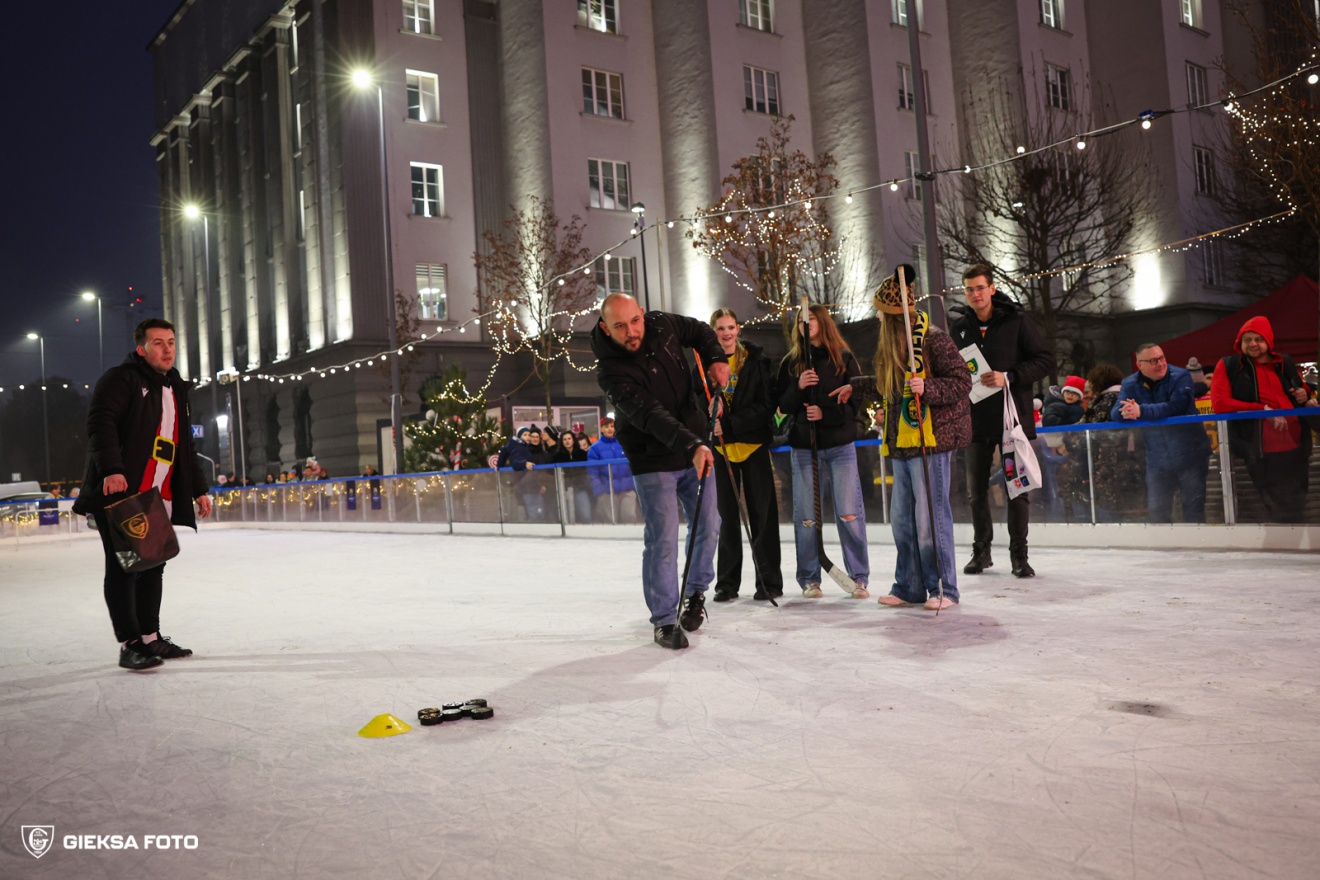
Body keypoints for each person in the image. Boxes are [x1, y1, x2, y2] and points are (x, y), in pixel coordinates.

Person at [72, 318, 212, 671]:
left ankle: (150, 637)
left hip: (158, 494)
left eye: (171, 342)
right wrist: (112, 469)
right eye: (158, 343)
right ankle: (130, 644)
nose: (167, 349)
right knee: (124, 567)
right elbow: (100, 423)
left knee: (153, 565)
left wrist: (198, 489)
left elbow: (184, 444)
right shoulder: (122, 379)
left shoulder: (175, 387)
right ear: (141, 348)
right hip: (121, 492)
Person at [591, 292, 728, 650]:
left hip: (694, 446)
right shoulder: (610, 371)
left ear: (642, 313)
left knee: (709, 523)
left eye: (635, 321)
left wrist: (716, 359)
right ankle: (665, 619)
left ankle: (695, 593)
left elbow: (699, 331)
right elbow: (650, 415)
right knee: (663, 538)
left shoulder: (662, 324)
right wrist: (693, 445)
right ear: (605, 329)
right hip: (652, 458)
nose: (632, 332)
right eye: (620, 326)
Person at [852, 270, 971, 610]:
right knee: (903, 522)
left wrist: (927, 387)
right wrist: (855, 387)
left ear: (893, 317)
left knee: (929, 521)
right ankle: (909, 586)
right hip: (901, 444)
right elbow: (888, 385)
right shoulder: (893, 349)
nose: (877, 318)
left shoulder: (933, 340)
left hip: (930, 441)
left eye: (881, 313)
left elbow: (962, 381)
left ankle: (944, 588)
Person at [949, 263, 1055, 578]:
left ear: (992, 289)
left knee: (1017, 489)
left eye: (980, 288)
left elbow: (1045, 360)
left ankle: (1019, 556)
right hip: (975, 421)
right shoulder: (960, 327)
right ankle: (981, 553)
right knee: (975, 491)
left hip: (1012, 420)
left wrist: (1009, 376)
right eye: (969, 289)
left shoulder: (1017, 321)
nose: (975, 294)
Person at [774, 302, 870, 599]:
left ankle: (858, 577)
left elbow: (855, 403)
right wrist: (799, 386)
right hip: (805, 448)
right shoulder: (791, 362)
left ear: (823, 322)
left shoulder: (843, 358)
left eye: (812, 319)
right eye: (801, 320)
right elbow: (781, 406)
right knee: (806, 516)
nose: (806, 324)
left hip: (840, 446)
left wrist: (825, 414)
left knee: (849, 512)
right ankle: (809, 578)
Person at [699, 308, 782, 602]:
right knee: (726, 519)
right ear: (713, 331)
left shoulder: (756, 362)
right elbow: (695, 403)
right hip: (721, 451)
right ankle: (727, 583)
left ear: (738, 328)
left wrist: (730, 425)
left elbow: (765, 407)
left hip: (753, 446)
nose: (726, 333)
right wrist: (708, 416)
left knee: (763, 517)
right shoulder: (705, 365)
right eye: (720, 328)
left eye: (731, 327)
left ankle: (769, 582)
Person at [1211, 316, 1313, 523]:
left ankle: (1292, 539)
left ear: (1268, 341)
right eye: (1247, 339)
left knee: (1297, 503)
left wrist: (1305, 393)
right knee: (1277, 506)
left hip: (1297, 445)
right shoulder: (1230, 365)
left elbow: (1300, 389)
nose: (1253, 344)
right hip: (1260, 450)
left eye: (1258, 339)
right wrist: (1262, 410)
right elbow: (1220, 403)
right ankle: (1285, 539)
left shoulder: (1284, 362)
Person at [1112, 343, 1211, 523]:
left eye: (1161, 358)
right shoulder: (1130, 383)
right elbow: (1115, 413)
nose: (1160, 364)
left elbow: (1177, 407)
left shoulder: (1181, 376)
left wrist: (1141, 411)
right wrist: (1126, 411)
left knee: (1193, 509)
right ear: (1140, 365)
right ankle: (1163, 542)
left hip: (1191, 456)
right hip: (1157, 459)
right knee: (1157, 511)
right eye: (1153, 361)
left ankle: (1197, 541)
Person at [587, 417, 637, 523]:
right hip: (607, 491)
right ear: (601, 429)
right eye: (606, 427)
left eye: (612, 426)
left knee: (629, 516)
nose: (609, 429)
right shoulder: (595, 448)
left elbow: (633, 463)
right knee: (610, 520)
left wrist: (633, 484)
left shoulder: (623, 444)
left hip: (627, 489)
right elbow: (593, 471)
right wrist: (600, 490)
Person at [496, 427, 545, 520]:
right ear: (519, 436)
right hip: (527, 487)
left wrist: (499, 465)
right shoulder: (519, 448)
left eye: (529, 435)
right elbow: (515, 462)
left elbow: (504, 451)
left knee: (532, 512)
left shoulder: (518, 446)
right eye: (525, 435)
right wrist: (524, 463)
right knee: (534, 514)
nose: (528, 437)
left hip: (527, 486)